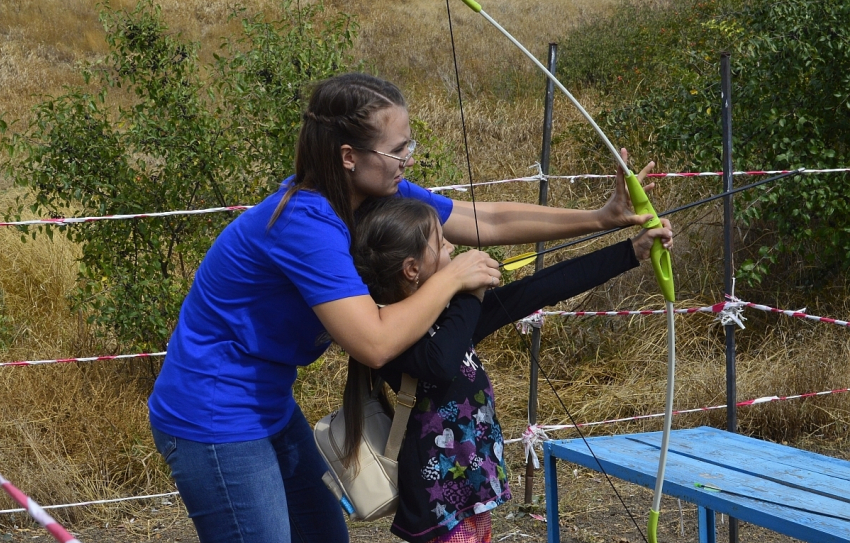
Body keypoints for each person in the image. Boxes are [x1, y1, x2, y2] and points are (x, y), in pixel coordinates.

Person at [147, 72, 666, 543]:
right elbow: (374, 342)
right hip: (212, 414)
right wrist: (455, 280)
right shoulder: (306, 224)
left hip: (267, 404)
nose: (409, 159)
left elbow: (488, 220)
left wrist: (601, 218)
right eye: (398, 150)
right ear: (349, 156)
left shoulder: (372, 195)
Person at [344, 197, 672, 543]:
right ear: (412, 269)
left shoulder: (451, 314)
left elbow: (540, 288)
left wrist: (631, 251)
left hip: (470, 493)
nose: (454, 246)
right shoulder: (393, 330)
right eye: (441, 244)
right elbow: (439, 363)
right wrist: (470, 292)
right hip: (438, 500)